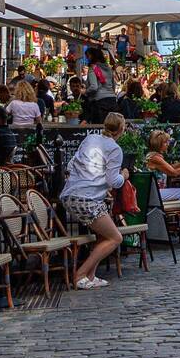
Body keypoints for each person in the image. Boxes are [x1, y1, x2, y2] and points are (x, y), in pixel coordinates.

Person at [60, 112, 128, 289]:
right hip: (87, 198)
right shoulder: (115, 149)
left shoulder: (90, 138)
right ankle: (80, 274)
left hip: (71, 194)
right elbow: (114, 181)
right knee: (115, 237)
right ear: (121, 129)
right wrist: (124, 176)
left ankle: (90, 275)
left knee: (103, 235)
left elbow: (70, 164)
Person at [145, 129, 180, 210]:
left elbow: (169, 168)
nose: (168, 144)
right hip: (154, 194)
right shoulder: (155, 158)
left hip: (154, 192)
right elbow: (174, 173)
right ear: (158, 144)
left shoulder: (153, 156)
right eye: (165, 142)